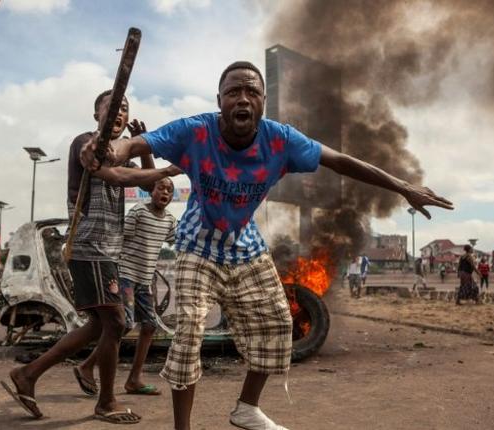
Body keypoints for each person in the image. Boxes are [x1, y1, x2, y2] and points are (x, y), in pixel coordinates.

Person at [83, 61, 453, 430]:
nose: (242, 99)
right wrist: (107, 152)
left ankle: (247, 407)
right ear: (219, 101)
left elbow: (340, 161)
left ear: (263, 101)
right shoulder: (195, 131)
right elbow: (134, 145)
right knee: (189, 331)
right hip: (198, 243)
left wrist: (404, 186)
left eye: (251, 92)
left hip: (244, 242)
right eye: (233, 92)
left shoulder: (281, 140)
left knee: (278, 322)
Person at [2, 90, 181, 424]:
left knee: (103, 324)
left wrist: (145, 148)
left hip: (107, 251)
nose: (119, 113)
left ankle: (30, 374)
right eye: (111, 106)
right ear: (96, 113)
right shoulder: (87, 144)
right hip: (91, 246)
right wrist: (169, 170)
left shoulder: (119, 151)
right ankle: (106, 402)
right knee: (115, 322)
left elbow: (143, 185)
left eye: (124, 108)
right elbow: (120, 177)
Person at [75, 177, 178, 397]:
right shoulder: (138, 212)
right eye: (161, 187)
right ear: (152, 190)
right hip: (126, 276)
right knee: (125, 324)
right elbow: (120, 238)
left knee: (150, 325)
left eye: (170, 191)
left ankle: (134, 380)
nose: (165, 193)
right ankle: (87, 365)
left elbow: (179, 239)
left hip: (144, 279)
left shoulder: (170, 220)